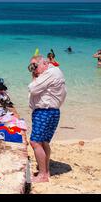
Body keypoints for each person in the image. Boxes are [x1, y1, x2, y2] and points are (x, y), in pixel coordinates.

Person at [27, 55, 67, 183]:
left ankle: (43, 175)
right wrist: (36, 72)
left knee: (35, 142)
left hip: (45, 112)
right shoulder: (52, 71)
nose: (34, 69)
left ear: (44, 63)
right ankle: (46, 171)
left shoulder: (50, 73)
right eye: (32, 67)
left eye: (35, 66)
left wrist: (34, 76)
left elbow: (33, 89)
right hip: (50, 111)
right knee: (43, 142)